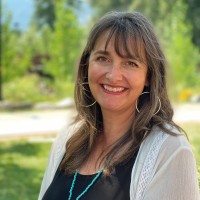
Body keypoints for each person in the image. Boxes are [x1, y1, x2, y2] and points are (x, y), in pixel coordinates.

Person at [38, 11, 200, 200]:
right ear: (87, 65)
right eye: (103, 58)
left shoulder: (170, 151)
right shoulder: (66, 141)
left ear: (149, 76)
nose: (113, 75)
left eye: (130, 63)